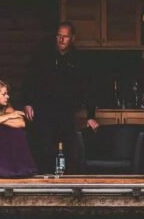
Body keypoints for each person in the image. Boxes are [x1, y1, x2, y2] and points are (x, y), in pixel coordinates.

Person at [22, 21, 98, 174]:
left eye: (65, 37)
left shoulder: (78, 60)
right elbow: (28, 79)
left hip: (66, 112)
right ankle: (43, 184)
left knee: (69, 150)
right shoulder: (43, 56)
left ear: (73, 39)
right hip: (43, 110)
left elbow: (88, 89)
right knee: (44, 148)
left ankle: (66, 186)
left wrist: (91, 116)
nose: (61, 40)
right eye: (58, 36)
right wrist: (27, 102)